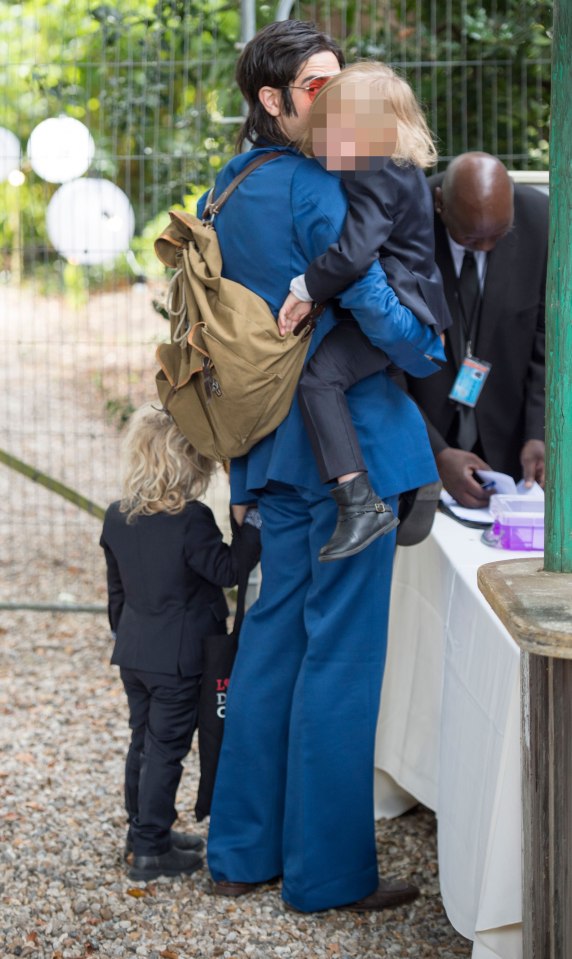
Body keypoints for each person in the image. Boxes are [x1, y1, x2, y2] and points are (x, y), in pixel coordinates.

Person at [200, 20, 445, 914]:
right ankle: (326, 876)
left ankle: (239, 852)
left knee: (271, 645)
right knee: (339, 662)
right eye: (316, 87)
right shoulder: (325, 190)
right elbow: (407, 341)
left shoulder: (231, 186)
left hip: (269, 453)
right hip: (353, 462)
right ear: (272, 100)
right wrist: (417, 336)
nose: (337, 103)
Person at [277, 62, 451, 561]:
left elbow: (355, 253)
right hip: (410, 309)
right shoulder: (400, 166)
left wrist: (305, 286)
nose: (321, 142)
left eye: (331, 131)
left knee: (318, 380)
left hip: (398, 311)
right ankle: (363, 502)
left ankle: (360, 504)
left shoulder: (375, 171)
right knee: (328, 379)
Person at [99, 403, 261, 882]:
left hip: (134, 653)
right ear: (190, 463)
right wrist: (252, 525)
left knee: (142, 744)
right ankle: (150, 849)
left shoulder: (116, 517)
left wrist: (126, 635)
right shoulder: (191, 521)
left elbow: (116, 592)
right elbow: (230, 571)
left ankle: (143, 832)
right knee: (166, 750)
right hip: (178, 661)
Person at [405, 151, 547, 508]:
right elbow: (383, 365)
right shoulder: (403, 223)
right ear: (440, 205)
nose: (485, 247)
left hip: (510, 443)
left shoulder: (542, 221)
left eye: (498, 236)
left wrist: (540, 433)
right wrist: (434, 451)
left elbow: (550, 344)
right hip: (422, 448)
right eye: (470, 239)